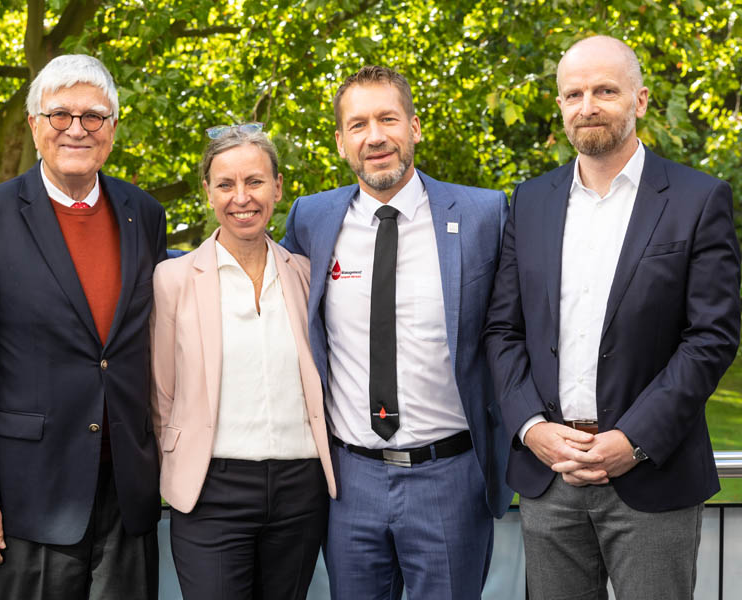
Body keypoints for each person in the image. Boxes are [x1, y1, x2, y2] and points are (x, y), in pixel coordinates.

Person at [483, 35, 741, 599]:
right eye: (573, 93)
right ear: (560, 107)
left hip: (652, 474)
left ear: (641, 100)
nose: (588, 105)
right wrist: (531, 428)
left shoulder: (698, 200)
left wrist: (634, 439)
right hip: (550, 476)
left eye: (605, 90)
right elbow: (503, 331)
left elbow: (711, 338)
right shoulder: (529, 202)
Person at [0, 54, 166, 599]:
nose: (77, 129)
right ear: (34, 124)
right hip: (30, 494)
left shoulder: (145, 213)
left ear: (113, 127)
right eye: (60, 114)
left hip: (127, 489)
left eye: (94, 116)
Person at [280, 65, 512, 599]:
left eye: (388, 118)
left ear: (414, 126)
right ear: (341, 142)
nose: (375, 136)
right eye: (358, 124)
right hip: (349, 480)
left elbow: (514, 328)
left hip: (450, 476)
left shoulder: (483, 214)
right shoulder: (312, 218)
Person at [151, 125, 336, 599]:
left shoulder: (307, 275)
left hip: (301, 487)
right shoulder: (172, 280)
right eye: (226, 184)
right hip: (211, 488)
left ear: (278, 187)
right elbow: (161, 393)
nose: (242, 198)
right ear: (207, 192)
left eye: (254, 181)